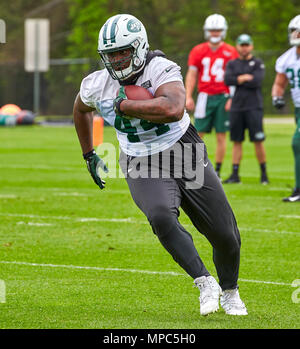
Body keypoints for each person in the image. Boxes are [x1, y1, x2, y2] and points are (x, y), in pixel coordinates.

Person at [73, 13, 247, 316]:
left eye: (122, 52)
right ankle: (205, 282)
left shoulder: (161, 68)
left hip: (184, 150)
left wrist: (126, 106)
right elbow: (80, 109)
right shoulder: (96, 84)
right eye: (110, 55)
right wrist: (89, 153)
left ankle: (230, 290)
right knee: (160, 216)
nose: (116, 60)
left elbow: (173, 108)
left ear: (139, 47)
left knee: (225, 235)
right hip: (140, 159)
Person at [185, 14, 239, 177]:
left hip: (223, 96)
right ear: (207, 31)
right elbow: (192, 75)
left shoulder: (231, 51)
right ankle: (193, 166)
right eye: (212, 30)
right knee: (197, 133)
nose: (215, 33)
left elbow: (235, 78)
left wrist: (232, 98)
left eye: (218, 30)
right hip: (205, 96)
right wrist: (188, 95)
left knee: (221, 135)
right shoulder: (198, 50)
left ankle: (217, 170)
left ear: (223, 31)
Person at [223, 34, 269, 184]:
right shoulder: (232, 64)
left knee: (258, 140)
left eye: (246, 45)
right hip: (237, 107)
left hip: (254, 107)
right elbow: (227, 80)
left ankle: (264, 174)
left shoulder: (257, 63)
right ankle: (235, 174)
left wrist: (238, 79)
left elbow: (256, 81)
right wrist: (243, 78)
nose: (244, 48)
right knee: (236, 141)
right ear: (237, 46)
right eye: (241, 45)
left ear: (251, 46)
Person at [272, 15, 300, 202]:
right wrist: (276, 96)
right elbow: (279, 83)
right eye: (294, 31)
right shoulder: (286, 58)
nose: (295, 34)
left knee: (297, 142)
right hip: (298, 109)